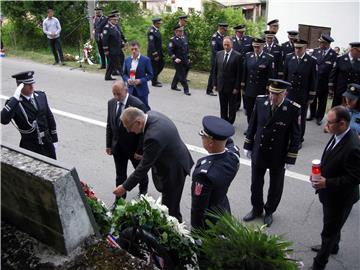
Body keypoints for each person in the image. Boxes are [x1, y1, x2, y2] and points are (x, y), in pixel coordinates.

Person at [113, 107, 194, 222]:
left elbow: (142, 168)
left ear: (138, 122)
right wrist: (149, 153)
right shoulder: (151, 115)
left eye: (129, 127)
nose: (129, 131)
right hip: (174, 160)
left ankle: (177, 232)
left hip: (174, 170)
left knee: (170, 209)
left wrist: (124, 187)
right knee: (171, 203)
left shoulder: (153, 136)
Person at [243, 79, 301, 227]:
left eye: (277, 94)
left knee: (275, 186)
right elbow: (253, 124)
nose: (273, 97)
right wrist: (248, 144)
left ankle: (269, 211)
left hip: (278, 154)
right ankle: (256, 208)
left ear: (285, 93)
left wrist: (291, 158)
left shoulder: (293, 109)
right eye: (271, 93)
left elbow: (296, 136)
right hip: (259, 150)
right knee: (256, 184)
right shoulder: (261, 102)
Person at [309, 106, 360, 270]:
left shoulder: (353, 147)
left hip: (340, 198)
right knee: (333, 226)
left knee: (328, 233)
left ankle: (319, 264)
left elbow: (354, 178)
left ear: (342, 124)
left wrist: (327, 183)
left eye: (330, 123)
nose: (326, 126)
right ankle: (334, 247)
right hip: (329, 194)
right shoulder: (338, 134)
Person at [191, 115, 240, 230]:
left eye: (203, 137)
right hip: (223, 208)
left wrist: (196, 229)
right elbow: (229, 144)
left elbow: (198, 208)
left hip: (210, 221)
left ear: (211, 143)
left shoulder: (204, 174)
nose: (202, 138)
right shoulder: (234, 155)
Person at [106, 80, 149, 201]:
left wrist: (140, 150)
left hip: (133, 148)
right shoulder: (111, 103)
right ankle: (119, 200)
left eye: (118, 94)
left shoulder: (137, 104)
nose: (116, 97)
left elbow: (143, 130)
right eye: (114, 94)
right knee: (120, 175)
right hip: (118, 147)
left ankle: (143, 190)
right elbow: (109, 124)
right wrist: (108, 144)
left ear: (126, 90)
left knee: (139, 172)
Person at [1, 71, 58, 159]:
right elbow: (3, 120)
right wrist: (15, 98)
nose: (32, 87)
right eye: (28, 84)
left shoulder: (41, 96)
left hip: (47, 143)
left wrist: (54, 139)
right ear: (20, 86)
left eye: (32, 83)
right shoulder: (14, 103)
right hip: (30, 146)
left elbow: (49, 117)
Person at [284, 39, 317, 147]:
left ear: (305, 48)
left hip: (303, 94)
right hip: (290, 93)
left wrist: (311, 95)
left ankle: (299, 139)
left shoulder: (311, 60)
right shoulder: (289, 57)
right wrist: (283, 90)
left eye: (300, 48)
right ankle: (288, 136)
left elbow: (313, 79)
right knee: (288, 115)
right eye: (296, 48)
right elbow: (285, 75)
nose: (297, 50)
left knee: (301, 118)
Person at [241, 37, 274, 124]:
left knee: (260, 111)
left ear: (263, 46)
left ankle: (258, 128)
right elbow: (244, 72)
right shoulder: (248, 56)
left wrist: (268, 89)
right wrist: (243, 87)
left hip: (261, 89)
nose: (256, 49)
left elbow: (271, 76)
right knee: (249, 110)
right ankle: (250, 128)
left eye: (258, 47)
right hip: (249, 88)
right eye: (255, 47)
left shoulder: (268, 58)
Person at [309, 34, 337, 125]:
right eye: (320, 43)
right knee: (313, 98)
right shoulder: (316, 51)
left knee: (322, 101)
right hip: (315, 80)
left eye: (322, 43)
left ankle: (319, 117)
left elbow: (333, 69)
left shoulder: (333, 54)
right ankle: (312, 114)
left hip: (325, 82)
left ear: (326, 44)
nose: (320, 44)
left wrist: (331, 84)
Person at [213, 37, 241, 124]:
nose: (226, 47)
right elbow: (215, 70)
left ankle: (230, 122)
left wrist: (237, 87)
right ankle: (223, 120)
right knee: (223, 105)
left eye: (228, 45)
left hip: (232, 87)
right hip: (221, 85)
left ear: (231, 45)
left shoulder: (237, 56)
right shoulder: (219, 54)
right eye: (224, 44)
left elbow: (239, 74)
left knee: (232, 106)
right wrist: (215, 84)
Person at [123, 41, 153, 110]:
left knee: (144, 108)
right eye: (132, 49)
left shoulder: (146, 60)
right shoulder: (127, 60)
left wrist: (140, 80)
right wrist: (127, 80)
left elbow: (150, 75)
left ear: (139, 49)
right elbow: (124, 74)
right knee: (131, 109)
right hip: (130, 90)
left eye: (135, 49)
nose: (134, 51)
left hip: (142, 90)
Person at [329, 42, 360, 107]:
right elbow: (333, 74)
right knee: (336, 109)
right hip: (340, 90)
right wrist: (331, 88)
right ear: (353, 50)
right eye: (359, 52)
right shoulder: (340, 59)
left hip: (354, 92)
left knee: (351, 112)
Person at [232, 24, 253, 110]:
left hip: (246, 67)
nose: (241, 34)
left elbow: (252, 52)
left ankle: (246, 105)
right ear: (236, 32)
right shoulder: (231, 40)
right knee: (237, 85)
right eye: (240, 32)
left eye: (243, 32)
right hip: (236, 67)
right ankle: (237, 104)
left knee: (245, 86)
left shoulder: (249, 40)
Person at [206, 23, 228, 96]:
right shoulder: (215, 37)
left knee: (219, 74)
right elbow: (214, 50)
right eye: (224, 30)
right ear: (220, 28)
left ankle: (216, 88)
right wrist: (221, 57)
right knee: (213, 74)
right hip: (216, 59)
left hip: (221, 59)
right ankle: (209, 90)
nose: (225, 31)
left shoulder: (223, 36)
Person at [168, 25, 191, 96]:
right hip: (178, 61)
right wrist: (175, 58)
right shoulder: (172, 40)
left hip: (185, 60)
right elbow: (170, 51)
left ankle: (173, 86)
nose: (182, 32)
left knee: (179, 73)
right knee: (182, 76)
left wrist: (189, 58)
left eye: (182, 31)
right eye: (180, 31)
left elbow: (187, 49)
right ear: (176, 32)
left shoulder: (184, 38)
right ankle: (186, 90)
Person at [102, 14, 123, 81]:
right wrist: (106, 50)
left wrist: (122, 43)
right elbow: (104, 40)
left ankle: (107, 76)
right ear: (110, 20)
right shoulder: (107, 28)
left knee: (111, 63)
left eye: (117, 19)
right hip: (112, 49)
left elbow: (117, 37)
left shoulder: (114, 27)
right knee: (118, 64)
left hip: (117, 48)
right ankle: (125, 77)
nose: (116, 21)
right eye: (114, 19)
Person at [147, 18, 164, 87]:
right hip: (154, 53)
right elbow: (151, 44)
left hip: (159, 52)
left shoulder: (156, 30)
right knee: (155, 67)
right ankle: (154, 81)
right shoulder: (151, 31)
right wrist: (155, 54)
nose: (160, 24)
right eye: (158, 23)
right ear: (155, 23)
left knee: (161, 64)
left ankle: (154, 78)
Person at [175, 15, 190, 80]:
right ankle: (180, 79)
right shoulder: (177, 27)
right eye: (185, 21)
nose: (185, 23)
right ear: (181, 20)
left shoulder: (184, 28)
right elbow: (175, 39)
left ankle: (183, 77)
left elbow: (185, 39)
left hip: (184, 50)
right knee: (180, 67)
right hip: (178, 51)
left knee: (187, 65)